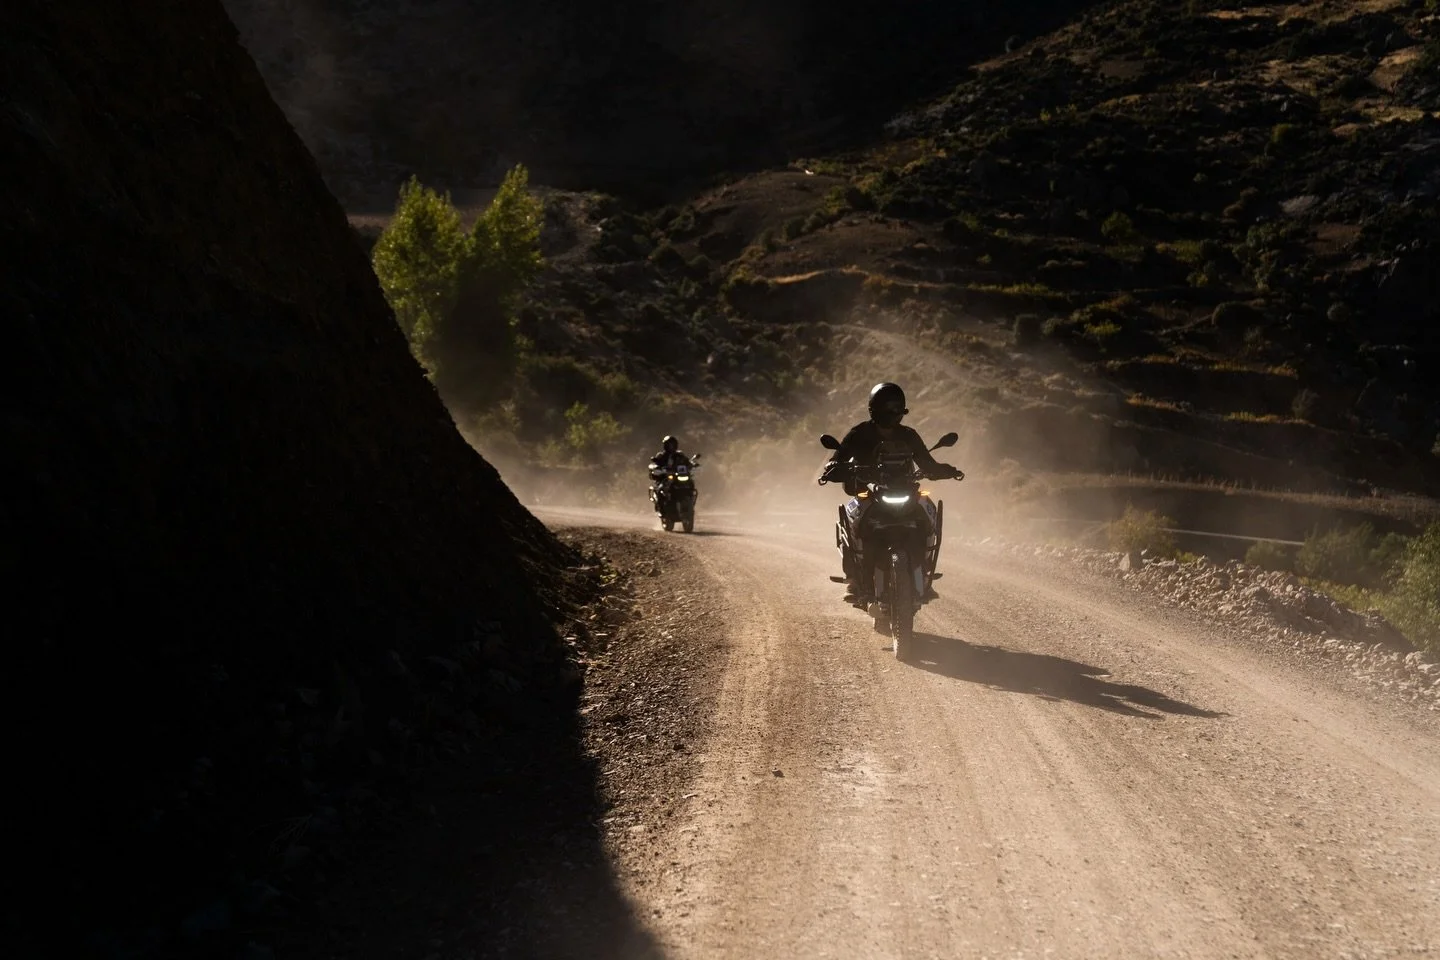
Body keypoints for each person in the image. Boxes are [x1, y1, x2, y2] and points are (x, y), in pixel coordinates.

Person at [823, 383, 964, 604]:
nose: (893, 413)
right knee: (853, 520)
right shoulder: (859, 433)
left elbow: (927, 462)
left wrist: (947, 470)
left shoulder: (908, 435)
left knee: (927, 511)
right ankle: (854, 580)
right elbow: (838, 458)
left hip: (904, 490)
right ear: (874, 410)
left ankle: (924, 572)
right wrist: (833, 467)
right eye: (888, 408)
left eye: (897, 408)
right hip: (868, 490)